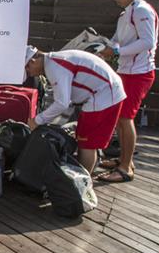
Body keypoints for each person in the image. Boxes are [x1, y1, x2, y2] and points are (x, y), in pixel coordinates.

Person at [24, 45, 126, 174]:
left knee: (86, 144)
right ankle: (83, 179)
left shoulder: (54, 67)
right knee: (86, 141)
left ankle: (82, 183)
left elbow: (62, 103)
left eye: (27, 69)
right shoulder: (55, 60)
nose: (29, 74)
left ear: (33, 61)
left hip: (103, 95)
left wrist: (37, 120)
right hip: (105, 92)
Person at [97, 0, 158, 183]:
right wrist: (105, 46)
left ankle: (125, 168)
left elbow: (147, 42)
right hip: (127, 71)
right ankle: (124, 159)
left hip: (138, 73)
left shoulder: (141, 11)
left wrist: (115, 52)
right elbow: (118, 40)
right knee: (121, 118)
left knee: (125, 118)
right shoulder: (127, 13)